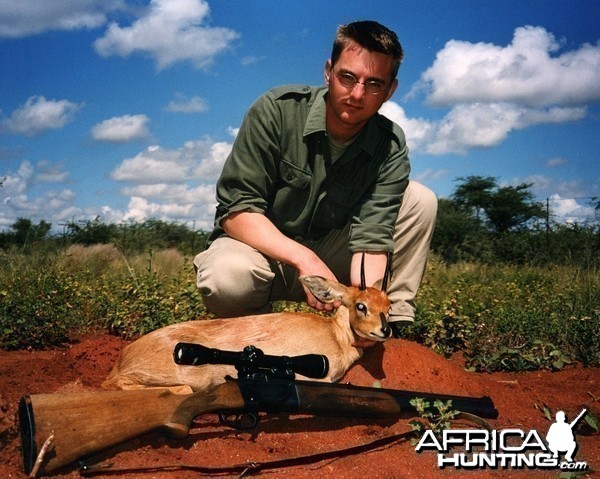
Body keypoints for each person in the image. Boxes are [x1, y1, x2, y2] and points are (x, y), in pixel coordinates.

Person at [194, 20, 437, 341]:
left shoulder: (389, 144)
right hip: (264, 255)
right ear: (328, 72)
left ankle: (390, 331)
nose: (357, 93)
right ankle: (256, 341)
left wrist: (362, 300)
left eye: (374, 84)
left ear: (390, 90)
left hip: (335, 259)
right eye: (347, 77)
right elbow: (236, 213)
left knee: (420, 200)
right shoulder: (276, 111)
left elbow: (372, 239)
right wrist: (304, 259)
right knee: (227, 277)